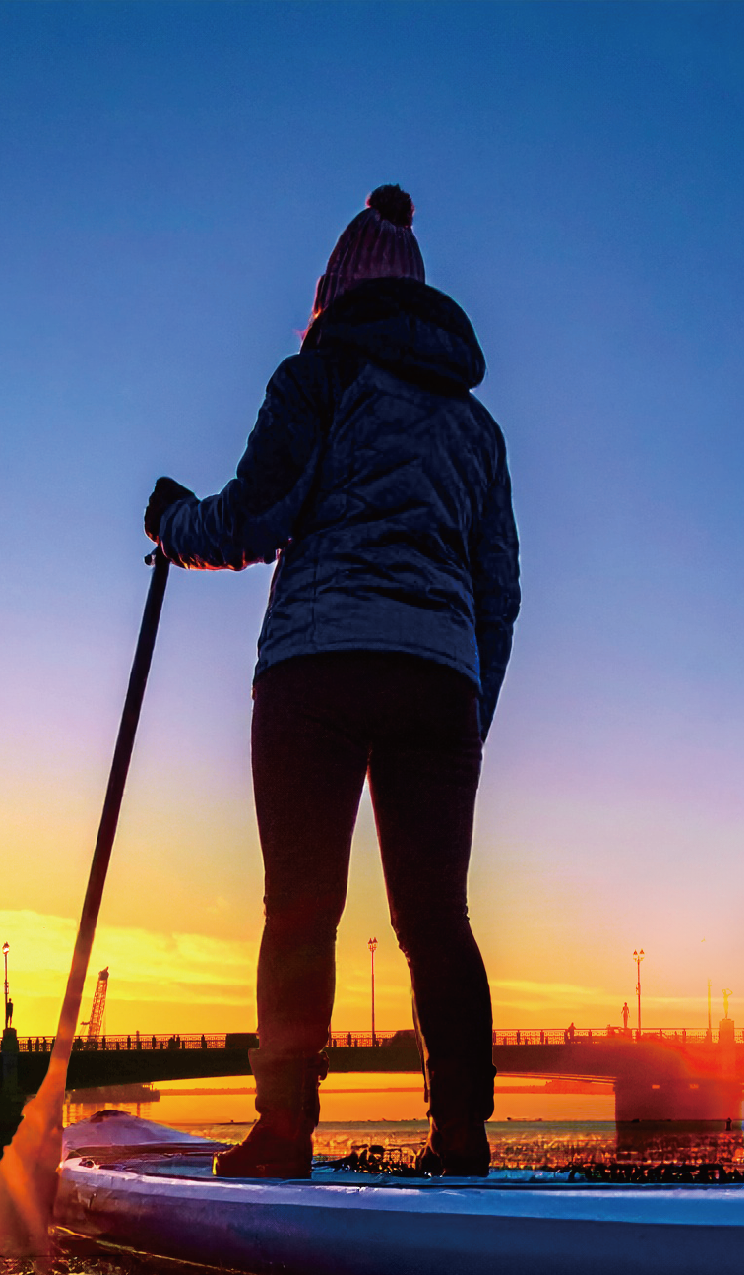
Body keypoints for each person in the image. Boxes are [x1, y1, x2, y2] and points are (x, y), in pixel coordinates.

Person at [147, 184, 519, 1178]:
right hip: (441, 680)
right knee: (438, 914)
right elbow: (498, 593)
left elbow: (250, 522)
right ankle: (462, 1138)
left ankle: (281, 1135)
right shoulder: (478, 432)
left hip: (317, 667)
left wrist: (170, 524)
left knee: (302, 906)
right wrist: (467, 710)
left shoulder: (317, 376)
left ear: (332, 296)